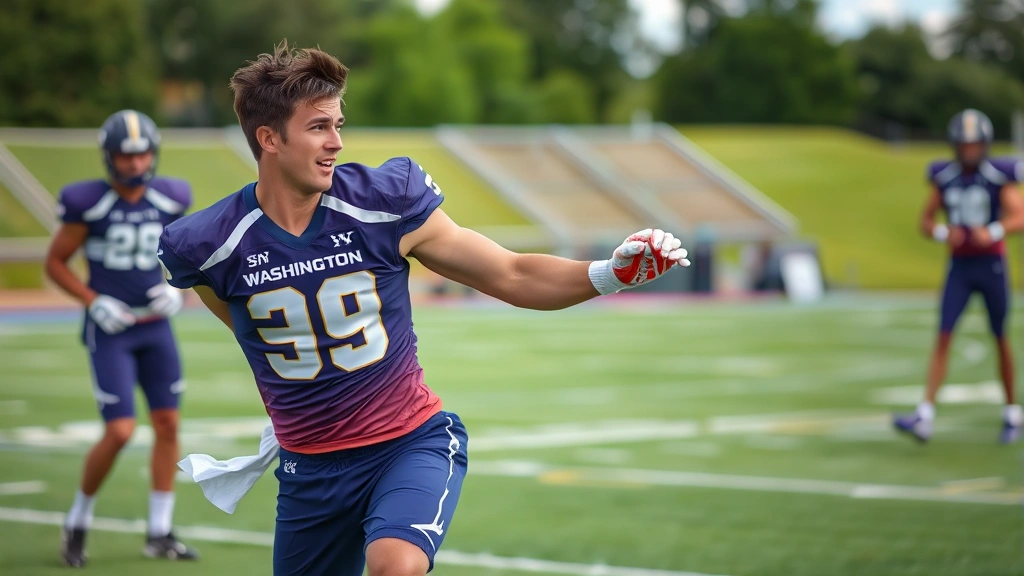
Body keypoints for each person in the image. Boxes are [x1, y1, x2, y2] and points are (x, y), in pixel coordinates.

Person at [157, 41, 689, 576]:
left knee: (395, 564)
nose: (337, 142)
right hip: (309, 469)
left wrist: (609, 274)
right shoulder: (208, 245)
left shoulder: (381, 202)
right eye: (319, 127)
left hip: (407, 442)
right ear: (269, 138)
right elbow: (254, 339)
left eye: (339, 124)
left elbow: (511, 272)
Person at [44, 110, 199, 567]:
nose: (135, 164)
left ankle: (160, 530)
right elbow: (55, 263)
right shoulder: (87, 202)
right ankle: (77, 521)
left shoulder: (172, 197)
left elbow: (189, 257)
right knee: (120, 430)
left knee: (169, 425)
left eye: (142, 154)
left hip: (155, 326)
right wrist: (92, 300)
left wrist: (178, 291)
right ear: (109, 157)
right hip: (110, 328)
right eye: (126, 156)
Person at [894, 108, 1024, 444]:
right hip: (960, 267)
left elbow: (1019, 215)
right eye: (964, 145)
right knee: (944, 334)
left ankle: (1012, 411)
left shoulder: (998, 176)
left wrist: (993, 231)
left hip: (992, 265)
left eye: (974, 145)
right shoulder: (945, 176)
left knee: (1000, 337)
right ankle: (925, 414)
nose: (969, 151)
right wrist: (942, 233)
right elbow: (925, 220)